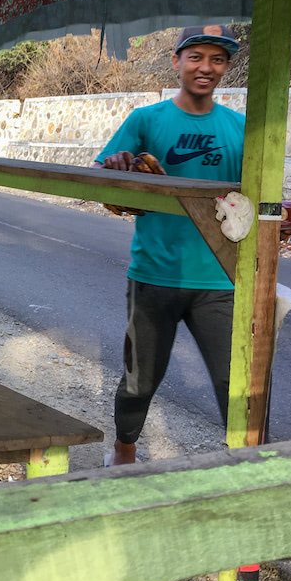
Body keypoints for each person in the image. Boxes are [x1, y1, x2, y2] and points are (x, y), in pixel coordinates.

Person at [92, 25, 245, 466]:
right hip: (155, 272)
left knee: (235, 382)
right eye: (196, 56)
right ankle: (123, 452)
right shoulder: (146, 121)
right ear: (177, 61)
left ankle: (247, 463)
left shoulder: (240, 128)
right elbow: (106, 185)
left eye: (217, 59)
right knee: (141, 378)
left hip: (221, 276)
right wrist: (118, 169)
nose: (206, 67)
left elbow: (256, 197)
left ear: (226, 67)